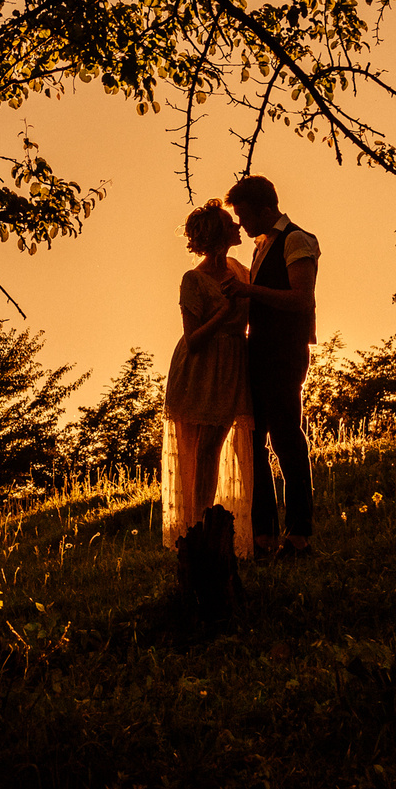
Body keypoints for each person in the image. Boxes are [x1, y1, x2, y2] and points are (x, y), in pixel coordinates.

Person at [223, 174, 317, 556]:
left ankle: (299, 536)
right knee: (253, 441)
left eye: (244, 216)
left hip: (284, 352)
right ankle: (263, 536)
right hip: (257, 351)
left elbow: (301, 299)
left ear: (265, 209)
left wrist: (248, 290)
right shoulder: (261, 245)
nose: (241, 225)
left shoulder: (297, 240)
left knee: (286, 440)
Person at [161, 201, 256, 560]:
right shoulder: (194, 280)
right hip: (200, 368)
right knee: (203, 448)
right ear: (219, 235)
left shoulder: (240, 269)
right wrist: (225, 313)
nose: (237, 227)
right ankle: (197, 529)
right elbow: (193, 338)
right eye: (230, 223)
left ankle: (210, 527)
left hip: (233, 362)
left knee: (215, 445)